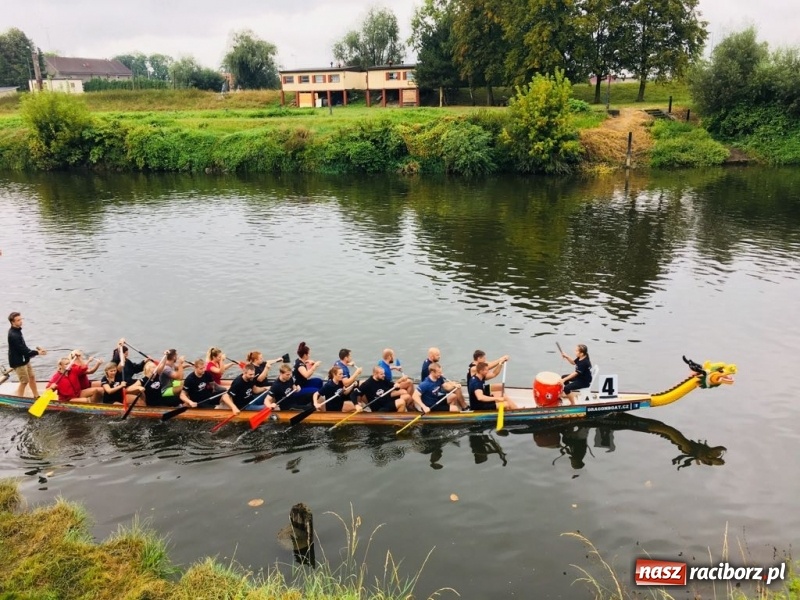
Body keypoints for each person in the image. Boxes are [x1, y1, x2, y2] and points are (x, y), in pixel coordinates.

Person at [7, 312, 47, 398]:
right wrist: (38, 352)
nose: (21, 321)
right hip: (18, 362)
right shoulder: (13, 335)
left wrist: (35, 352)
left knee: (32, 377)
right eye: (18, 320)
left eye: (21, 319)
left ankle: (36, 395)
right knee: (24, 381)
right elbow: (23, 350)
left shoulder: (17, 331)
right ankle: (19, 399)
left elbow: (24, 348)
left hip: (24, 359)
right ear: (12, 322)